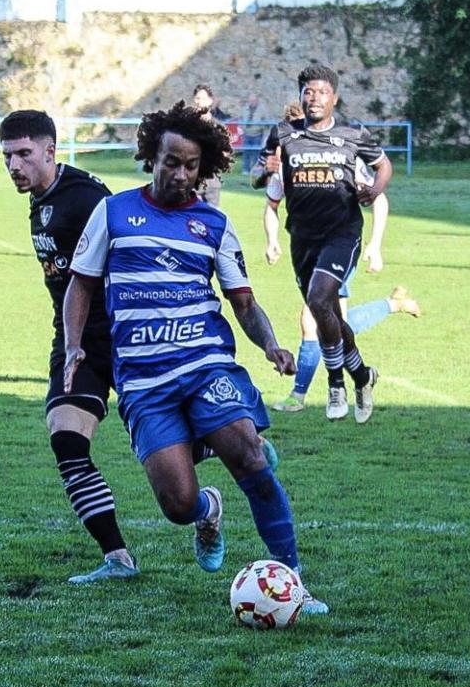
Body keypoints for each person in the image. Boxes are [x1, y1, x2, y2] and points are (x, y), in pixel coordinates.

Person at [63, 100, 327, 613]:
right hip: (143, 382)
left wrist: (270, 343)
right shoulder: (114, 212)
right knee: (177, 504)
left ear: (202, 170)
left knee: (250, 457)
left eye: (191, 166)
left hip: (205, 364)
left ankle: (292, 578)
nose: (180, 174)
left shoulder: (214, 225)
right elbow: (81, 285)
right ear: (151, 158)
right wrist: (74, 343)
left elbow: (243, 302)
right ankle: (209, 509)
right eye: (171, 162)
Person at [0, 109, 133, 584]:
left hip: (121, 336)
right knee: (67, 440)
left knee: (175, 454)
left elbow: (127, 259)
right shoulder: (42, 198)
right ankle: (117, 557)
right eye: (8, 156)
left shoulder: (88, 199)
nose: (15, 166)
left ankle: (234, 455)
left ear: (51, 150)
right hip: (75, 342)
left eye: (24, 154)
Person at [253, 64, 391, 423]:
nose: (314, 98)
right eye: (308, 92)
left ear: (335, 97)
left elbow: (383, 165)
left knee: (318, 300)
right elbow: (257, 177)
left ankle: (335, 385)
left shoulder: (352, 133)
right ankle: (362, 375)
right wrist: (265, 170)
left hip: (342, 233)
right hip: (302, 237)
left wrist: (374, 190)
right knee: (325, 311)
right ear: (301, 96)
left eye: (322, 92)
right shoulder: (282, 133)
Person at [262, 102, 419, 411]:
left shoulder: (341, 156)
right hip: (309, 247)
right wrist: (272, 240)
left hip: (339, 243)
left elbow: (378, 196)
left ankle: (303, 394)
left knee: (315, 319)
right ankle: (363, 369)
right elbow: (271, 203)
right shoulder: (285, 166)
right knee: (330, 320)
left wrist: (374, 245)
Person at [189, 84, 230, 206]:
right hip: (192, 179)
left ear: (210, 101)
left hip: (211, 181)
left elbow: (226, 154)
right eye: (196, 98)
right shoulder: (187, 126)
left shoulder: (218, 127)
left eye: (202, 98)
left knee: (212, 218)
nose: (198, 102)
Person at [241, 93, 264, 174]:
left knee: (256, 154)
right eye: (251, 100)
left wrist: (260, 129)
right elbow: (240, 118)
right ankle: (245, 170)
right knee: (246, 153)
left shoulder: (262, 110)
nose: (252, 102)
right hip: (246, 134)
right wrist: (242, 128)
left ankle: (254, 170)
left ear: (257, 101)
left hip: (257, 135)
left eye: (254, 100)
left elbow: (266, 121)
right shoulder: (245, 109)